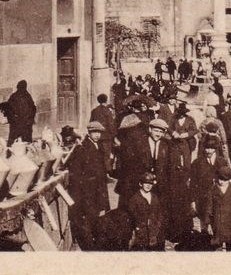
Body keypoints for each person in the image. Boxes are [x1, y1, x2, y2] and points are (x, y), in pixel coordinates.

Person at [66, 121, 111, 251]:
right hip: (88, 190)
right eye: (94, 132)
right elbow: (77, 173)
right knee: (90, 217)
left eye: (99, 133)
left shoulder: (98, 146)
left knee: (98, 215)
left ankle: (96, 241)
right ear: (89, 133)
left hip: (98, 187)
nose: (97, 135)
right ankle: (89, 245)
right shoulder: (83, 148)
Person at [115, 118, 169, 206]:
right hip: (139, 183)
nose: (158, 134)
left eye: (160, 132)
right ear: (150, 129)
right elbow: (131, 165)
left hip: (157, 185)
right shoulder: (139, 144)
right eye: (156, 131)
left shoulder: (165, 146)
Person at [190, 135, 229, 236]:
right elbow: (193, 183)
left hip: (217, 196)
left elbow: (227, 180)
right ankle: (204, 238)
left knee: (217, 218)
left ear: (216, 149)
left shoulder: (222, 162)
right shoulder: (197, 163)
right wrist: (193, 200)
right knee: (204, 219)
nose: (208, 151)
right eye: (207, 148)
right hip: (202, 197)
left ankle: (218, 238)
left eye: (211, 148)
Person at [207, 165, 231, 251]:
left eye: (224, 180)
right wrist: (208, 223)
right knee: (217, 244)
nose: (221, 182)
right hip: (218, 221)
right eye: (219, 179)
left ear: (230, 179)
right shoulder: (213, 190)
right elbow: (209, 207)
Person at [127, 172, 165, 251]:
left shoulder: (155, 198)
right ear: (140, 184)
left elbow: (159, 214)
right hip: (141, 233)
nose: (148, 186)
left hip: (154, 232)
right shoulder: (134, 199)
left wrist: (157, 226)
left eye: (150, 184)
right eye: (146, 183)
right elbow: (131, 217)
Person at [2, 80, 37, 145]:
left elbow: (8, 109)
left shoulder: (14, 96)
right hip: (24, 124)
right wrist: (30, 120)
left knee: (14, 143)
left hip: (17, 124)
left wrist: (13, 119)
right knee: (26, 143)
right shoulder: (27, 96)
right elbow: (33, 109)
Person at [90, 94, 116, 175]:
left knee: (97, 154)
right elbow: (111, 125)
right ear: (106, 100)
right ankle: (107, 173)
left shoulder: (94, 111)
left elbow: (91, 123)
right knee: (106, 156)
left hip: (96, 136)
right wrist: (114, 135)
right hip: (106, 137)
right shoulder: (108, 111)